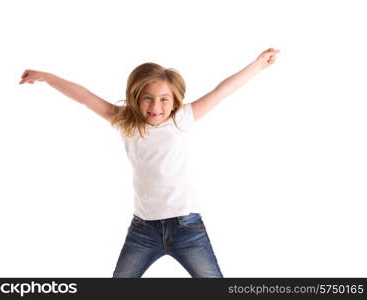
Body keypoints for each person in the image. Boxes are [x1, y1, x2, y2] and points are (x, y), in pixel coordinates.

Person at [19, 48, 280, 277]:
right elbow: (85, 96)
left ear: (175, 100)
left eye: (164, 99)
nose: (156, 106)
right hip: (143, 229)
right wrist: (47, 77)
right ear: (135, 97)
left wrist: (258, 64)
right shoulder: (125, 121)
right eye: (148, 98)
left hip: (186, 225)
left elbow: (223, 90)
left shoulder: (182, 118)